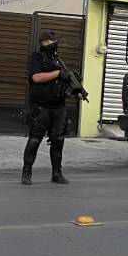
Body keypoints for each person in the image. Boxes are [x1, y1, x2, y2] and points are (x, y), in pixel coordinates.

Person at [22, 30, 81, 185]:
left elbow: (64, 81)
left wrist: (78, 90)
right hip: (41, 108)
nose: (56, 44)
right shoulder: (36, 58)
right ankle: (26, 173)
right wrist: (58, 73)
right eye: (53, 41)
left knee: (58, 142)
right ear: (45, 43)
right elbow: (36, 77)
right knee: (35, 140)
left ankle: (57, 174)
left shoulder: (57, 60)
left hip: (58, 108)